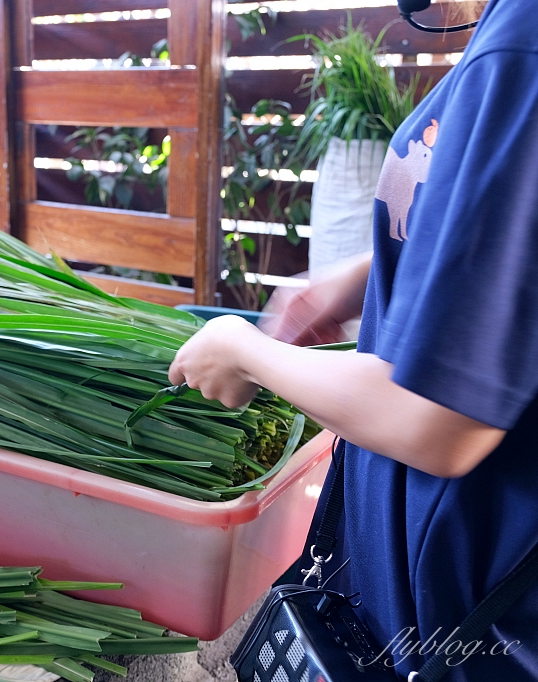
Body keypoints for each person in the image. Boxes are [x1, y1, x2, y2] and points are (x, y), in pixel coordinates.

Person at [168, 0, 537, 679]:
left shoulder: (525, 47)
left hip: (474, 610)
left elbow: (436, 420)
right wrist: (368, 274)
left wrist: (245, 350)